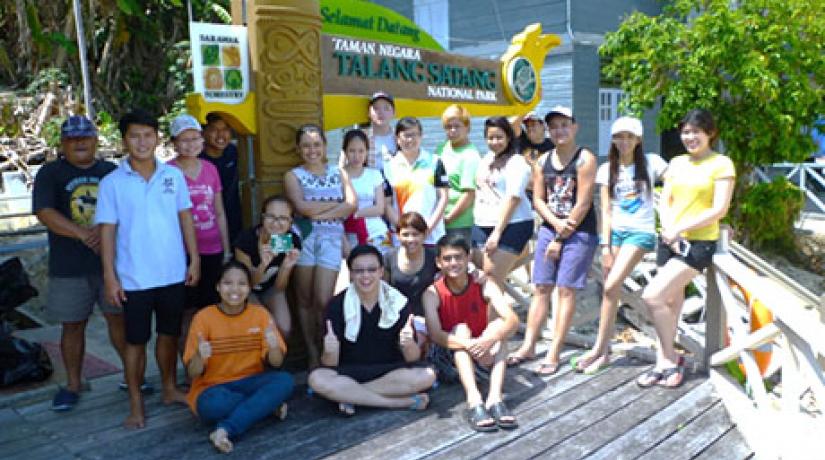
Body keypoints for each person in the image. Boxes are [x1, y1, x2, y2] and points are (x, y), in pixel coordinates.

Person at [96, 109, 200, 428]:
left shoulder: (173, 177)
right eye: (134, 135)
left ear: (157, 138)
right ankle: (136, 404)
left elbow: (185, 218)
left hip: (171, 273)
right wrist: (110, 276)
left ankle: (169, 389)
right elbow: (107, 232)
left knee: (169, 335)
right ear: (124, 140)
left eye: (148, 135)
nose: (142, 142)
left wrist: (193, 258)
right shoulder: (112, 183)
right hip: (133, 278)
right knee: (135, 342)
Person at [32, 115, 126, 411]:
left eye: (85, 137)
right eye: (73, 139)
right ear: (63, 144)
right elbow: (44, 212)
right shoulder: (50, 173)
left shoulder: (112, 171)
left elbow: (127, 208)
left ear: (96, 140)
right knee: (72, 326)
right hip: (68, 267)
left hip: (111, 264)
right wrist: (84, 234)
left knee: (119, 321)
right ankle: (73, 384)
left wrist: (102, 230)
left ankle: (133, 377)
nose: (80, 143)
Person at [637, 109, 734, 388]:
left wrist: (681, 229)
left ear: (710, 133)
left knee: (653, 296)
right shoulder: (677, 163)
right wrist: (670, 230)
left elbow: (719, 209)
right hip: (669, 239)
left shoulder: (721, 164)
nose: (690, 137)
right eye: (685, 132)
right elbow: (665, 199)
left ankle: (669, 359)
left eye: (696, 132)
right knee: (669, 303)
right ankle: (663, 362)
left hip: (699, 242)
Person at [507, 106, 598, 375]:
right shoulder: (542, 160)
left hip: (579, 230)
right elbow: (537, 198)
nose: (559, 130)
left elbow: (582, 203)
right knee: (541, 287)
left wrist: (561, 233)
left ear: (575, 126)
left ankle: (555, 350)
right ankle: (528, 345)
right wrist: (555, 225)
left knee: (566, 289)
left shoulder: (585, 159)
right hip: (551, 226)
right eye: (554, 126)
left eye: (564, 124)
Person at [572, 116, 667, 374]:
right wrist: (605, 246)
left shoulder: (652, 163)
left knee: (613, 284)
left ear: (638, 140)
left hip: (640, 233)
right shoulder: (606, 169)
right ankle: (602, 350)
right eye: (619, 137)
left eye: (629, 137)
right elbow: (606, 209)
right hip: (615, 235)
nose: (624, 142)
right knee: (609, 292)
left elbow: (677, 185)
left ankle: (599, 349)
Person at [307, 244, 436, 415]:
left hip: (390, 371)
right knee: (317, 379)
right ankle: (397, 403)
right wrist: (330, 350)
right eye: (359, 271)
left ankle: (350, 396)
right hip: (350, 372)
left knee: (427, 375)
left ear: (381, 271)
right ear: (351, 274)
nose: (365, 276)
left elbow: (412, 358)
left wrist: (409, 344)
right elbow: (331, 364)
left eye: (371, 270)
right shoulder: (337, 304)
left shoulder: (398, 302)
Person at [184, 261, 293, 454]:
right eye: (228, 283)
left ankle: (226, 428)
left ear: (249, 288)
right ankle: (265, 406)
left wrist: (274, 346)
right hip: (213, 388)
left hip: (251, 380)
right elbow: (193, 372)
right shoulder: (203, 317)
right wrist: (200, 356)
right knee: (211, 406)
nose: (235, 289)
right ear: (218, 287)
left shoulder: (260, 315)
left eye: (242, 284)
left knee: (285, 381)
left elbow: (276, 363)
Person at [422, 234, 519, 432]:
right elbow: (435, 334)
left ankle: (494, 398)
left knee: (498, 331)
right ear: (438, 263)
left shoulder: (484, 284)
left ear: (468, 258)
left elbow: (513, 320)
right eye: (447, 259)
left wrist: (487, 340)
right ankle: (474, 401)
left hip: (478, 352)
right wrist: (469, 344)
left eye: (458, 257)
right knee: (461, 330)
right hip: (447, 356)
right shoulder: (432, 293)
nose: (454, 263)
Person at [283, 124, 356, 368]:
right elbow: (301, 209)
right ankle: (312, 351)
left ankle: (327, 346)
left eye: (316, 144)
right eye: (306, 145)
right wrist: (335, 208)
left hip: (332, 240)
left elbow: (352, 204)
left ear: (325, 146)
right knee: (303, 299)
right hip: (304, 240)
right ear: (298, 148)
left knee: (323, 300)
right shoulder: (293, 175)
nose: (312, 150)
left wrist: (318, 211)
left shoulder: (340, 172)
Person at [168, 114, 231, 312]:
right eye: (184, 140)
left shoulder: (211, 169)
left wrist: (226, 248)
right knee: (185, 307)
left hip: (213, 248)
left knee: (211, 305)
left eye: (195, 138)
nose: (191, 144)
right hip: (181, 252)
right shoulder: (166, 172)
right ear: (174, 143)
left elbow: (219, 212)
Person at [472, 116, 534, 305]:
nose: (495, 142)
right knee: (477, 273)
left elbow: (513, 198)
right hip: (483, 222)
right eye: (490, 138)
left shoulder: (517, 163)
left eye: (499, 137)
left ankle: (495, 328)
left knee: (492, 277)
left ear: (508, 137)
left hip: (512, 224)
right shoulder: (485, 159)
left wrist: (497, 233)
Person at [233, 195, 301, 337]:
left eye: (283, 218)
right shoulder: (246, 240)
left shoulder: (292, 241)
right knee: (265, 326)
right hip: (245, 290)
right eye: (271, 216)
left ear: (290, 222)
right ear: (262, 217)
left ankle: (275, 359)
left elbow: (279, 287)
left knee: (284, 329)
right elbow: (246, 284)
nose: (276, 223)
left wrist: (286, 267)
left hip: (271, 289)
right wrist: (263, 264)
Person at [384, 116, 449, 246]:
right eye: (406, 135)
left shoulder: (435, 162)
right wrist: (405, 231)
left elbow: (443, 198)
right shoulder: (388, 166)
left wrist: (426, 230)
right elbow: (387, 204)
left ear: (421, 136)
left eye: (414, 135)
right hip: (402, 238)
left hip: (431, 236)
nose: (410, 140)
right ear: (397, 138)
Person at [383, 212, 439, 340]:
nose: (410, 239)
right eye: (405, 234)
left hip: (428, 318)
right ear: (397, 235)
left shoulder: (434, 256)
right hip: (398, 318)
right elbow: (384, 291)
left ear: (424, 235)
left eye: (415, 234)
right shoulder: (389, 257)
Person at [435, 104, 481, 243]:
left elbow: (469, 195)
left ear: (467, 127)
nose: (452, 130)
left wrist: (449, 219)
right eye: (448, 127)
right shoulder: (442, 148)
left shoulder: (471, 155)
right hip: (439, 218)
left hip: (459, 223)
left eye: (457, 126)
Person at [341, 129, 390, 252]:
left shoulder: (374, 174)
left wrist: (355, 214)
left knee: (382, 267)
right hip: (349, 233)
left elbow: (380, 208)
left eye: (361, 151)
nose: (356, 156)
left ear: (367, 152)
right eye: (352, 151)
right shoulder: (337, 175)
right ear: (345, 152)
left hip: (376, 231)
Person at [200, 113, 242, 244]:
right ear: (203, 133)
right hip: (207, 220)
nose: (221, 135)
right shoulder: (198, 159)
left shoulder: (235, 152)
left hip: (234, 216)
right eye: (214, 130)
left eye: (225, 129)